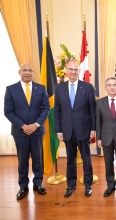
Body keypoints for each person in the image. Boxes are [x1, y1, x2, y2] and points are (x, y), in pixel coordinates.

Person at [4, 63, 50, 200]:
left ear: (33, 72)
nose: (27, 72)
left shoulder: (41, 89)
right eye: (25, 70)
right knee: (22, 160)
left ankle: (38, 183)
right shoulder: (11, 89)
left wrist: (36, 124)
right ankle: (23, 186)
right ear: (19, 72)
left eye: (30, 70)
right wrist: (23, 126)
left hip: (37, 131)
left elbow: (46, 108)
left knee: (38, 159)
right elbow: (8, 112)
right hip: (20, 132)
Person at [54, 60, 96, 197]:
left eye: (75, 70)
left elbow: (92, 111)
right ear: (66, 71)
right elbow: (58, 111)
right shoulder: (59, 88)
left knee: (86, 158)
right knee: (70, 159)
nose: (73, 72)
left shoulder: (88, 87)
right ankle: (71, 185)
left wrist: (93, 128)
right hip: (67, 130)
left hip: (83, 129)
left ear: (79, 72)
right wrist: (58, 130)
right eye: (70, 69)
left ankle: (88, 184)